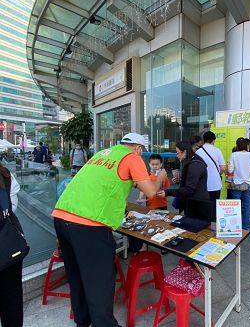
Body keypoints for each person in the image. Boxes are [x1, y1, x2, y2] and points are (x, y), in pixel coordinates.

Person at [52, 132, 167, 327]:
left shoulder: (102, 154)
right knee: (100, 281)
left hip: (62, 217)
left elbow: (107, 185)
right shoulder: (132, 157)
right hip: (88, 225)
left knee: (78, 275)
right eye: (142, 152)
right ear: (138, 148)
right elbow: (150, 191)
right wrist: (161, 176)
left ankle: (83, 320)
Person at [158, 141, 209, 214]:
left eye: (177, 152)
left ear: (184, 152)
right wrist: (180, 180)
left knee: (193, 223)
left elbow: (189, 189)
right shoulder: (191, 161)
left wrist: (167, 192)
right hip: (192, 201)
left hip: (197, 204)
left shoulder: (195, 165)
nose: (177, 155)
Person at [0, 164, 22, 327]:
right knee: (12, 303)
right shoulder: (6, 176)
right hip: (10, 249)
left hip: (8, 250)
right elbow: (11, 209)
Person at [228, 138, 250, 230]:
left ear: (237, 146)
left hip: (236, 183)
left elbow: (230, 170)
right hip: (247, 183)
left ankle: (235, 226)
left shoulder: (234, 155)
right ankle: (245, 227)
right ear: (246, 146)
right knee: (247, 206)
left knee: (236, 205)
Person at [195, 131, 226, 203]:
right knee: (214, 205)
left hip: (201, 185)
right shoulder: (217, 151)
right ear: (213, 140)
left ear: (204, 140)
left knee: (203, 206)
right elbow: (223, 168)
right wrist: (218, 173)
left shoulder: (198, 152)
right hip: (215, 184)